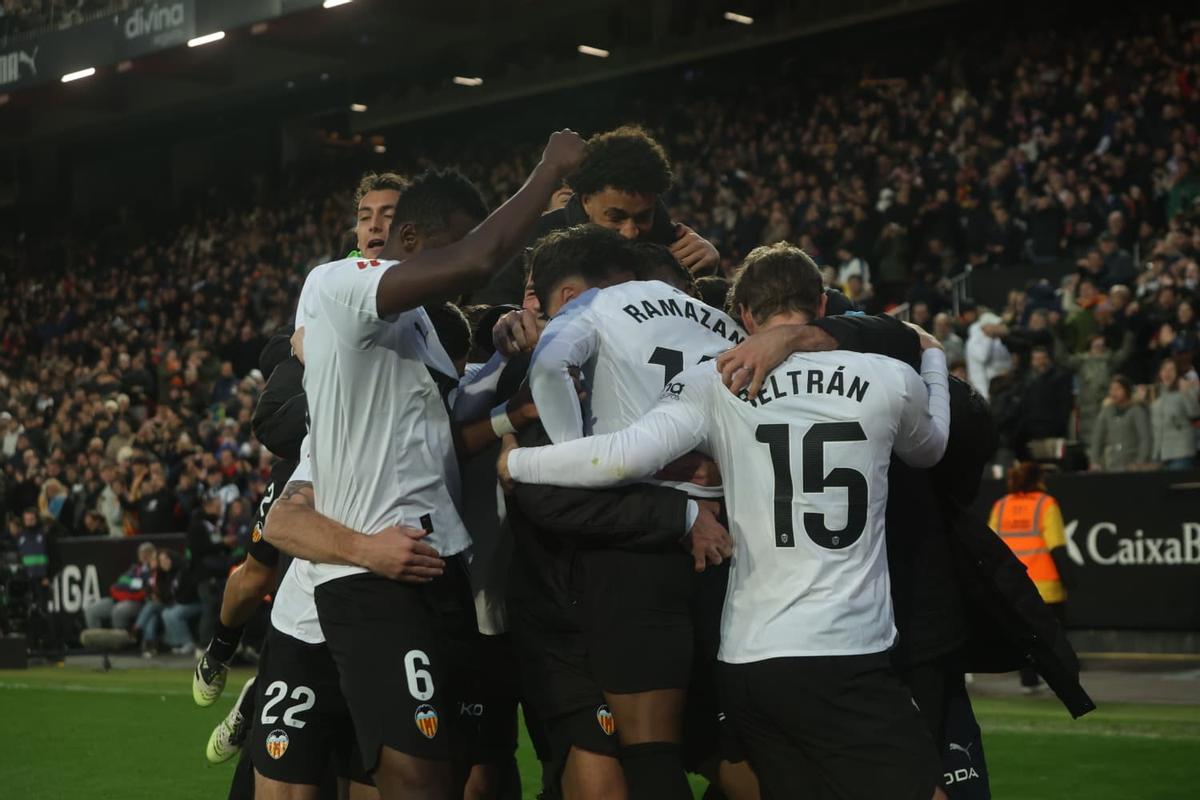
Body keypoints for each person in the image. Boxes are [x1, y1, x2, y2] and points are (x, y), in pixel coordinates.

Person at [500, 242, 951, 800]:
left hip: (747, 658)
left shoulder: (715, 380)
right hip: (844, 648)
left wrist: (519, 461)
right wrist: (933, 358)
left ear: (744, 316)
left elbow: (621, 456)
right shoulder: (889, 378)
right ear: (821, 306)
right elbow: (931, 447)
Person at [261, 131, 585, 800]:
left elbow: (439, 443)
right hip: (372, 578)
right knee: (417, 778)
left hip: (437, 573)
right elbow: (480, 257)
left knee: (440, 775)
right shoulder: (341, 284)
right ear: (409, 239)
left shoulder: (426, 341)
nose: (469, 262)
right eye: (453, 241)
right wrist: (549, 167)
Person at [520, 224, 740, 799]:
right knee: (738, 742)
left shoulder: (590, 324)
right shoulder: (722, 327)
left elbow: (548, 374)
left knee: (649, 753)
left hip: (631, 567)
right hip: (733, 554)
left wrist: (567, 454)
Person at [471, 125, 719, 305]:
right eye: (616, 217)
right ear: (586, 200)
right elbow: (488, 311)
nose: (630, 232)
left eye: (643, 217)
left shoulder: (677, 244)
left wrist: (710, 277)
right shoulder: (534, 239)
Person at [987, 462, 1070, 692]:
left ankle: (1029, 679)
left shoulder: (1001, 506)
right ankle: (1061, 681)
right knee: (1053, 636)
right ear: (1038, 480)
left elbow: (990, 545)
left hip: (1011, 585)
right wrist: (1069, 579)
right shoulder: (1046, 504)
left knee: (1023, 634)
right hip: (1045, 584)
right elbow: (1057, 546)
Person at [83, 541, 156, 631]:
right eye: (141, 553)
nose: (144, 555)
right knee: (90, 610)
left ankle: (119, 639)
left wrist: (131, 583)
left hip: (136, 602)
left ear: (153, 554)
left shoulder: (154, 570)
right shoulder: (134, 568)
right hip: (117, 599)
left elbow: (144, 585)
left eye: (147, 552)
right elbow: (121, 580)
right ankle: (97, 639)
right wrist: (133, 583)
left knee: (118, 611)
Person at [1090, 376, 1151, 471]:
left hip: (1133, 465)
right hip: (1113, 465)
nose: (1114, 393)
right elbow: (1098, 438)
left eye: (1118, 389)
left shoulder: (1137, 411)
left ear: (1126, 391)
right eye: (1112, 389)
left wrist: (1140, 462)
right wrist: (1094, 461)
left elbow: (1145, 439)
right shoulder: (1107, 411)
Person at [1150, 359, 1200, 470]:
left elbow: (1195, 413)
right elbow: (1155, 428)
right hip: (1161, 455)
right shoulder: (1156, 395)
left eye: (1171, 369)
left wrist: (1186, 392)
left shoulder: (1185, 390)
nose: (1167, 373)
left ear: (1177, 373)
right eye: (1164, 369)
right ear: (1160, 373)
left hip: (1181, 452)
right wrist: (1154, 454)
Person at [965, 312, 1010, 400]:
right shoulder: (974, 341)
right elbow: (983, 357)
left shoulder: (995, 340)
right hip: (981, 386)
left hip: (997, 384)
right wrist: (989, 337)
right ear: (986, 326)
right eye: (993, 325)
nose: (996, 327)